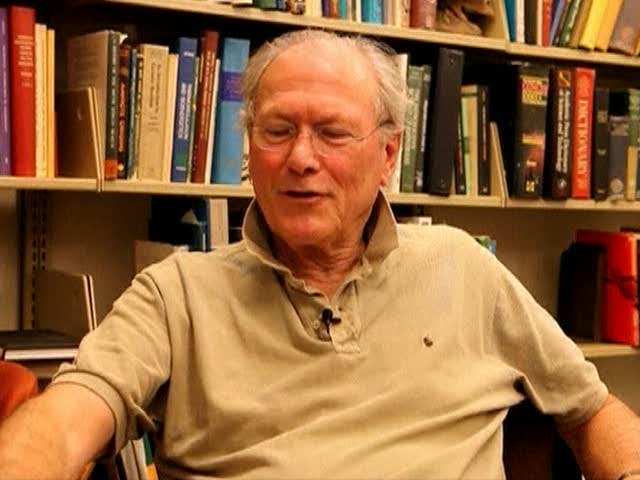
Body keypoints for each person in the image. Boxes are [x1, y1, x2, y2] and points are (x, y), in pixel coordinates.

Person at [0, 29, 639, 480]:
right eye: (278, 131)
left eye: (332, 133)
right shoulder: (177, 294)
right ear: (249, 147)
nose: (301, 158)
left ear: (388, 155)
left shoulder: (462, 267)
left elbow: (590, 410)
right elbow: (66, 418)